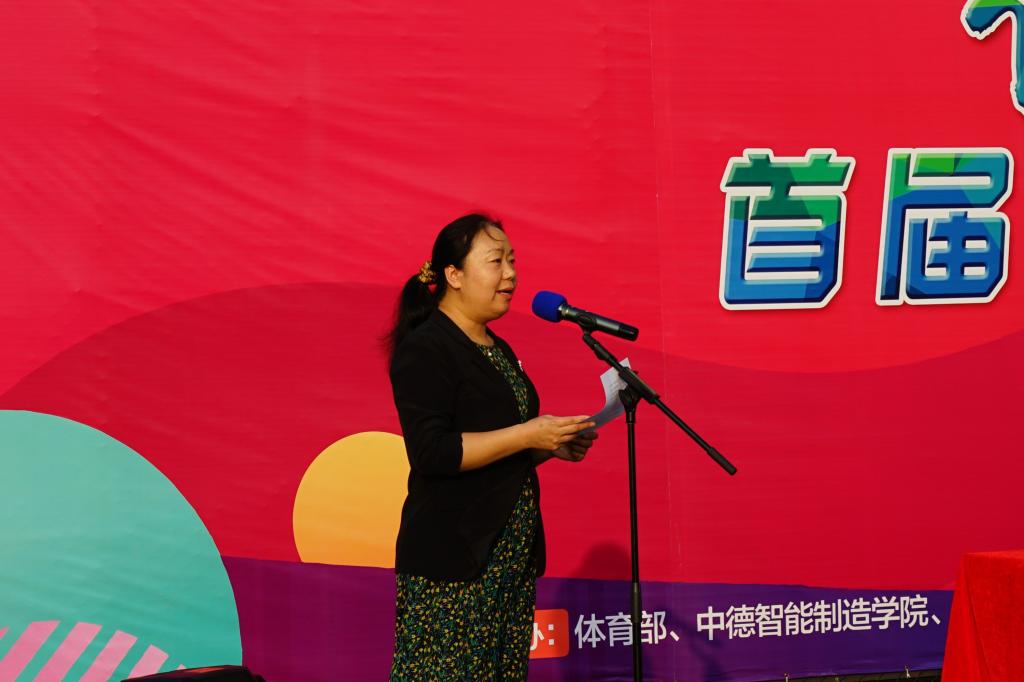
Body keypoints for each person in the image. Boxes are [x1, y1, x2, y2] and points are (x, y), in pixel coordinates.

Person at [385, 213, 599, 681]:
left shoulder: (496, 348)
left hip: (508, 561)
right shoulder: (427, 347)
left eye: (513, 261)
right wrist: (526, 435)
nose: (511, 274)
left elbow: (497, 444)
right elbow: (433, 452)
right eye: (496, 261)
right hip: (455, 564)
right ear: (454, 275)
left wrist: (548, 446)